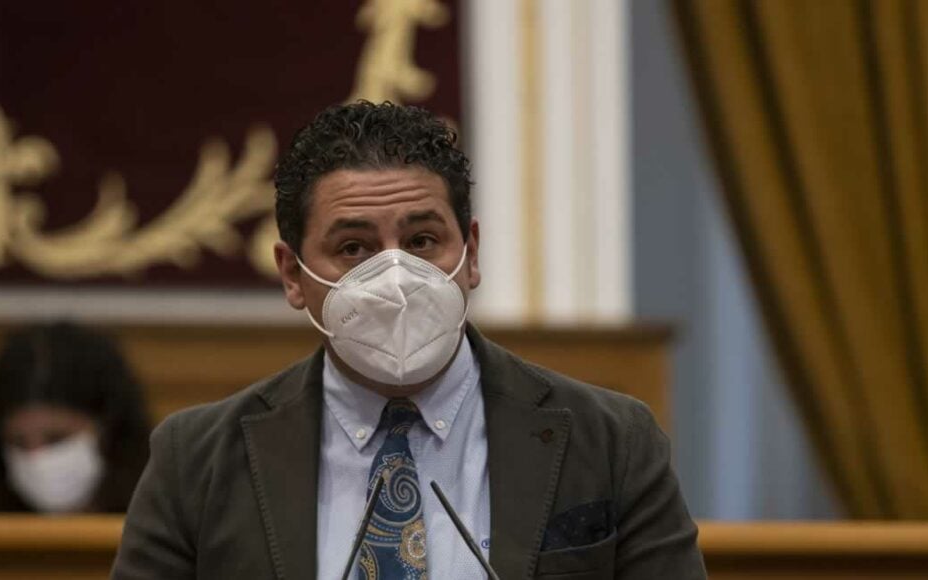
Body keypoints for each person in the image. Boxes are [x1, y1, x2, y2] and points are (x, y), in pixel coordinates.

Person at [112, 102, 706, 579]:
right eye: (354, 248)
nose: (396, 277)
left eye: (422, 241)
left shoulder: (611, 442)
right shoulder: (195, 460)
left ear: (471, 253)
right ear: (293, 275)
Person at [0, 321, 152, 514]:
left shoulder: (161, 527)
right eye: (18, 442)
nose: (36, 459)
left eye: (57, 439)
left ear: (109, 430)